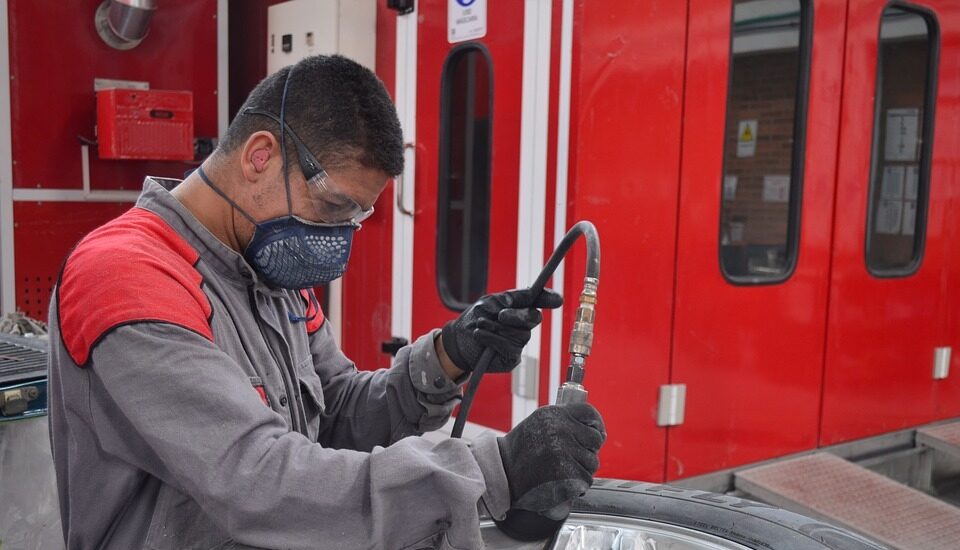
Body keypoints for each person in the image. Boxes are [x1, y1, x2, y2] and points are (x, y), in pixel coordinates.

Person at [47, 55, 605, 549]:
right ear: (260, 156)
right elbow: (258, 481)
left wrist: (450, 355)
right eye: (334, 207)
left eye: (355, 219)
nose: (338, 237)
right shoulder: (129, 276)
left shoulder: (271, 269)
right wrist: (492, 470)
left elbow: (336, 412)